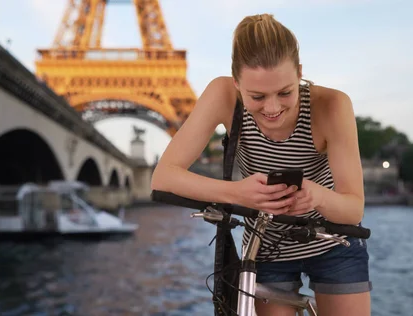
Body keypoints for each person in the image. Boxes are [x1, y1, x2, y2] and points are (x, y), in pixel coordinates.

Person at [151, 13, 371, 316]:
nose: (272, 108)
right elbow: (163, 177)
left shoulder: (333, 106)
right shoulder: (221, 94)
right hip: (267, 245)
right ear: (236, 83)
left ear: (300, 73)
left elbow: (353, 208)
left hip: (333, 242)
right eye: (256, 96)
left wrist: (315, 196)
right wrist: (237, 193)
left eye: (285, 92)